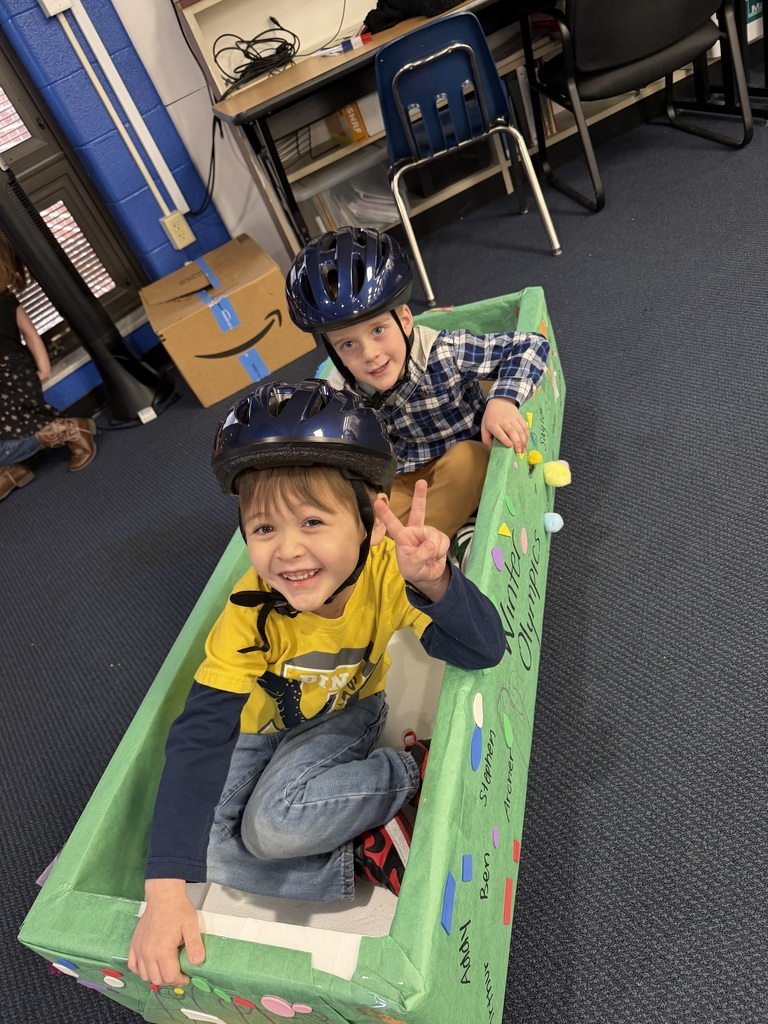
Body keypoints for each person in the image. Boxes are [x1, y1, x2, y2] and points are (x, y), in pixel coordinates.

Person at [128, 378, 504, 987]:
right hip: (262, 732)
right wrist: (165, 891)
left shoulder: (389, 575)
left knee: (270, 828)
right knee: (202, 852)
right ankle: (368, 845)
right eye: (263, 529)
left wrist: (435, 583)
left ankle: (407, 772)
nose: (287, 551)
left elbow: (484, 649)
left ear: (366, 522)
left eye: (311, 520)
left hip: (345, 714)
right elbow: (200, 734)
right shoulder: (248, 610)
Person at [284, 226, 550, 564]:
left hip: (459, 457)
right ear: (333, 352)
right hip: (403, 476)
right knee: (362, 514)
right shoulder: (341, 394)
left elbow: (530, 345)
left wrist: (502, 400)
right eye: (348, 344)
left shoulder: (444, 351)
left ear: (405, 320)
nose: (370, 354)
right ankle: (428, 545)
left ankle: (408, 562)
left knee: (470, 463)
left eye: (378, 330)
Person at [0, 235, 96, 501]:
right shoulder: (8, 300)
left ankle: (70, 430)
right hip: (13, 374)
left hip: (10, 376)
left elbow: (30, 335)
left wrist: (44, 369)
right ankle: (11, 470)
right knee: (14, 427)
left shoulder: (6, 301)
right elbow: (30, 336)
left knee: (17, 427)